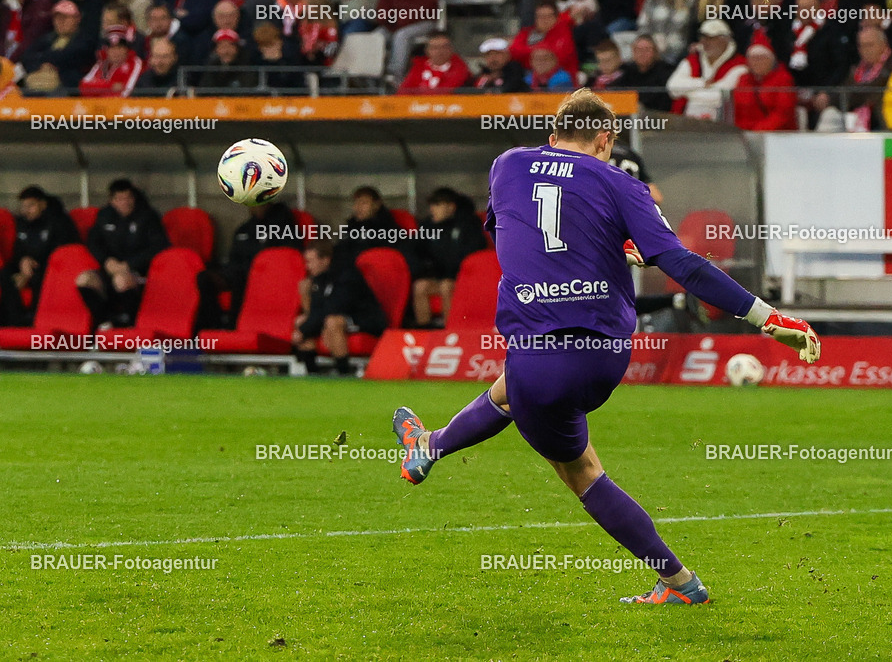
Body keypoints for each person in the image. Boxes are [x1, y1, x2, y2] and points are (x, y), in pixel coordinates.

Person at [391, 88, 821, 605]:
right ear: (606, 140)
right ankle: (430, 446)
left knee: (582, 472)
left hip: (540, 350)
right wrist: (767, 316)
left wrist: (601, 245)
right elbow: (684, 264)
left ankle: (680, 582)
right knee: (509, 392)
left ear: (553, 137)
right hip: (605, 355)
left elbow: (517, 231)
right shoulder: (623, 183)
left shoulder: (507, 166)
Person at [76, 179, 169, 329]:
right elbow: (93, 243)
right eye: (120, 199)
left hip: (140, 272)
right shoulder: (104, 216)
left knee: (121, 280)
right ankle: (104, 322)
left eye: (128, 198)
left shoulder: (147, 217)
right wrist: (106, 261)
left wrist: (129, 265)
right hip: (110, 269)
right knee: (84, 279)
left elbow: (158, 247)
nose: (125, 203)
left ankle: (133, 326)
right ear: (112, 200)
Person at [195, 201, 299, 330]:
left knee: (240, 278)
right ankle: (211, 327)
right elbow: (232, 259)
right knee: (204, 278)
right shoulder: (244, 229)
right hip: (234, 273)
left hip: (262, 277)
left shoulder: (283, 226)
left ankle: (233, 327)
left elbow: (289, 257)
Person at [293, 241, 387, 376]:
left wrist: (304, 331)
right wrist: (306, 295)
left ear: (325, 260)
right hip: (338, 317)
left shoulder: (346, 275)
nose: (307, 267)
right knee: (301, 321)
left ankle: (343, 373)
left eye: (310, 262)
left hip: (365, 320)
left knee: (332, 322)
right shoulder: (318, 280)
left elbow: (334, 308)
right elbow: (314, 312)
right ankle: (312, 374)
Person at [0, 186, 78, 327]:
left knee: (40, 276)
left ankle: (35, 321)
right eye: (23, 206)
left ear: (43, 204)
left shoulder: (59, 222)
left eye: (31, 205)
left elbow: (62, 251)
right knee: (4, 275)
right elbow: (16, 249)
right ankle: (11, 321)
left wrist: (31, 267)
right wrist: (22, 261)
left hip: (51, 269)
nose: (26, 210)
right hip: (25, 267)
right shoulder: (21, 223)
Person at [411, 187, 488, 327]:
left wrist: (450, 273)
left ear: (451, 207)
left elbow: (474, 254)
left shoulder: (469, 224)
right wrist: (427, 270)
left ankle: (451, 332)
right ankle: (424, 333)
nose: (432, 210)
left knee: (446, 286)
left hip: (464, 279)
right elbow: (416, 251)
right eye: (431, 205)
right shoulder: (428, 226)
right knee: (420, 286)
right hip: (439, 278)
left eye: (437, 205)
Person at [813, 25, 892, 131]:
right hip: (853, 116)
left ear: (883, 45)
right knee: (829, 115)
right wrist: (829, 97)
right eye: (861, 46)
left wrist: (831, 99)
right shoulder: (858, 68)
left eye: (869, 45)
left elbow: (867, 92)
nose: (865, 50)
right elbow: (846, 89)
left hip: (879, 119)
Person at [667, 19, 748, 118]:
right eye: (703, 37)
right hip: (685, 123)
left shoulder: (740, 65)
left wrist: (687, 93)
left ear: (725, 39)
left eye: (712, 38)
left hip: (721, 126)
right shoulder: (692, 60)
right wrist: (702, 83)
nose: (705, 42)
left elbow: (720, 97)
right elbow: (672, 87)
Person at [21, 0, 95, 91]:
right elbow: (27, 56)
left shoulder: (85, 40)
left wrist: (45, 60)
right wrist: (41, 65)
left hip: (69, 87)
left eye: (65, 18)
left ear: (77, 18)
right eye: (57, 18)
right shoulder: (47, 38)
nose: (60, 21)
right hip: (39, 81)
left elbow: (68, 57)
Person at [375, 0, 440, 79]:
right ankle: (371, 75)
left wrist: (403, 19)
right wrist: (384, 18)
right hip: (397, 22)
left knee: (401, 35)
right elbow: (384, 1)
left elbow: (428, 3)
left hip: (424, 20)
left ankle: (395, 75)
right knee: (377, 35)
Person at [732, 34, 797, 130]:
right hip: (745, 133)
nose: (756, 62)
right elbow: (737, 109)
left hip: (776, 134)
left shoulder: (783, 79)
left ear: (771, 60)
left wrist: (759, 130)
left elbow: (783, 113)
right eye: (753, 58)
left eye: (761, 58)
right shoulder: (744, 79)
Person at [509, 1, 579, 78]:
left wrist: (527, 55)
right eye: (540, 16)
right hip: (529, 75)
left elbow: (559, 56)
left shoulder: (563, 31)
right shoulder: (526, 32)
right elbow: (514, 51)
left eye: (549, 16)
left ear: (556, 18)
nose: (545, 20)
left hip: (561, 77)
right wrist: (537, 51)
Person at [637, 0, 696, 64]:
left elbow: (692, 28)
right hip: (652, 51)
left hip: (679, 52)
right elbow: (643, 24)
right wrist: (650, 48)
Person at [614, 34, 676, 111]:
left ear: (655, 52)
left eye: (647, 50)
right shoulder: (627, 70)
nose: (642, 53)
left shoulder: (666, 71)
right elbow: (615, 91)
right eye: (638, 50)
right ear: (633, 52)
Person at [78, 26, 145, 97]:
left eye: (119, 48)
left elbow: (125, 94)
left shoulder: (134, 63)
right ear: (106, 50)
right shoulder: (102, 63)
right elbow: (83, 86)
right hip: (95, 106)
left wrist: (97, 89)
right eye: (112, 48)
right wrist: (110, 86)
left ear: (126, 49)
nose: (116, 52)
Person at [396, 30, 470, 93]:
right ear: (427, 50)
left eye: (444, 47)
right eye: (435, 48)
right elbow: (404, 91)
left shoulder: (459, 68)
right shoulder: (418, 67)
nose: (440, 51)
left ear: (451, 49)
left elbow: (447, 91)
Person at [0, 0, 53, 64]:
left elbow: (31, 38)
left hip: (29, 61)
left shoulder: (41, 3)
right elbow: (2, 37)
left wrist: (8, 62)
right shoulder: (6, 7)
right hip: (6, 61)